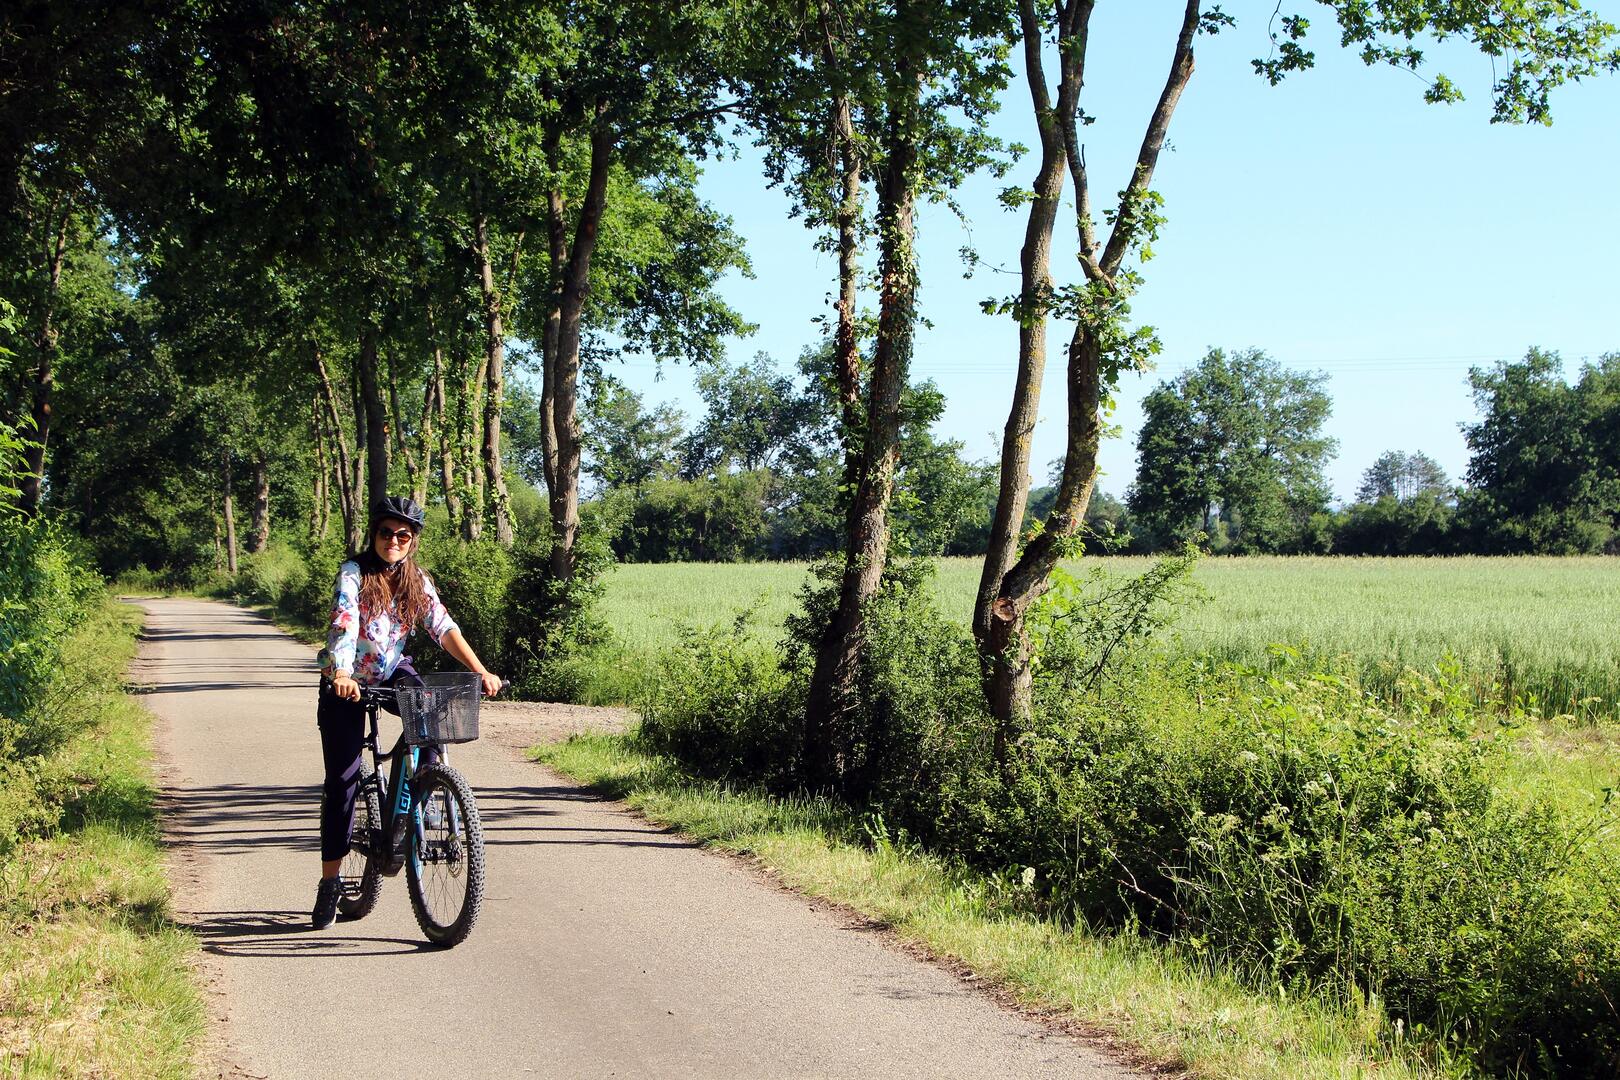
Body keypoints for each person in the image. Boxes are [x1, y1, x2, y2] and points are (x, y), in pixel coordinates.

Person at [311, 496, 502, 930]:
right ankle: (331, 882)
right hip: (347, 679)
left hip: (392, 670)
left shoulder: (417, 579)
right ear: (373, 534)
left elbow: (443, 627)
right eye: (386, 533)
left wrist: (480, 669)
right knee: (342, 782)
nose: (393, 542)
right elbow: (344, 625)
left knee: (430, 713)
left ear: (412, 541)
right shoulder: (354, 573)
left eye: (403, 536)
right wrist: (341, 671)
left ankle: (425, 791)